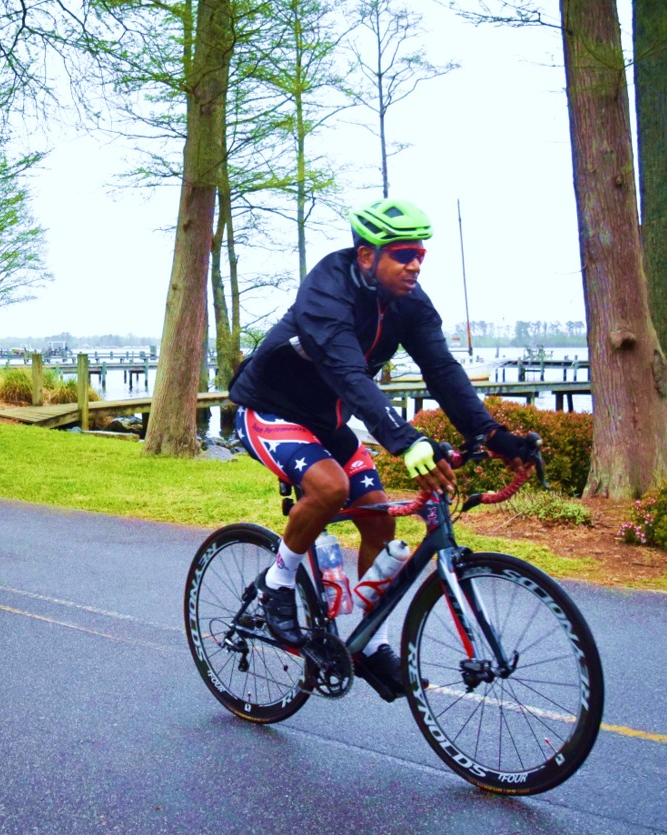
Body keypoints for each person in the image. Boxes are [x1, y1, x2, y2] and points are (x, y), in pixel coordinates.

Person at [227, 197, 539, 699]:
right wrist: (405, 440)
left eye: (420, 254)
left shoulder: (409, 303)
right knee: (329, 488)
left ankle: (371, 644)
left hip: (326, 424)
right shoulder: (325, 292)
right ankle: (277, 582)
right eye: (402, 254)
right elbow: (350, 373)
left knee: (377, 514)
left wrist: (491, 435)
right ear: (367, 256)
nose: (415, 263)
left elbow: (442, 372)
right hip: (269, 410)